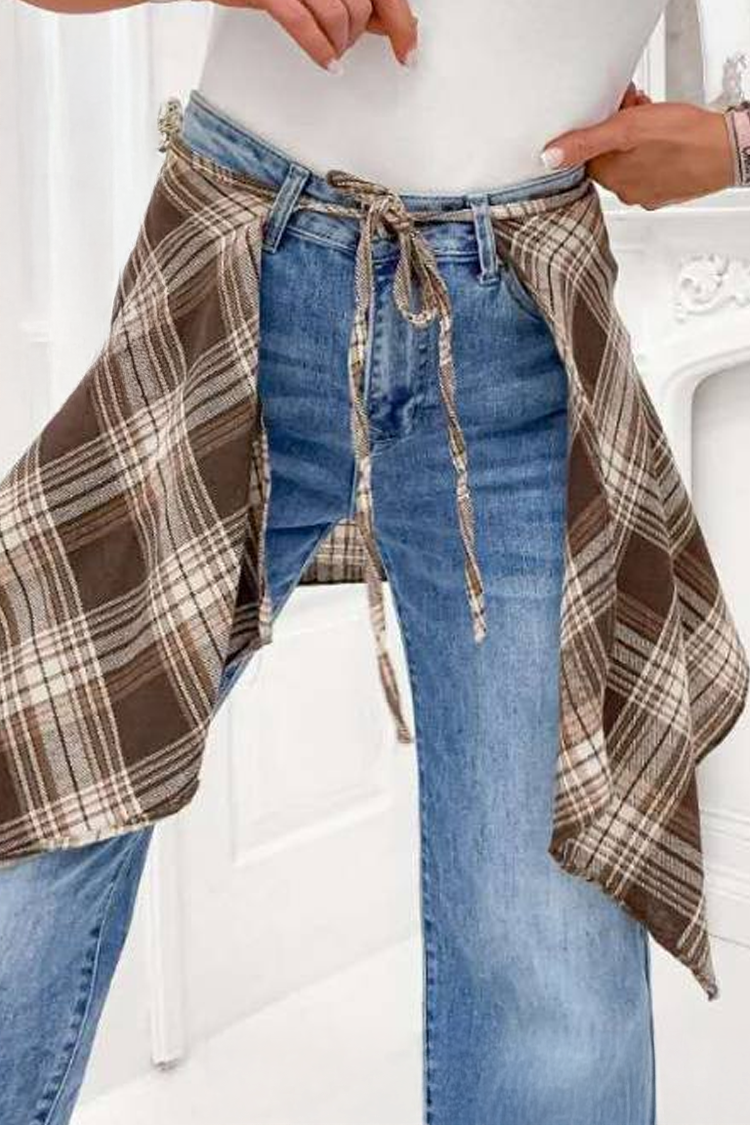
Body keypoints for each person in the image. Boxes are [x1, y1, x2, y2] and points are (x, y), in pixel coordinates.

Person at [0, 4, 746, 1124]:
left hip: (517, 317)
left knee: (542, 935)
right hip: (232, 256)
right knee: (28, 790)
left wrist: (737, 143)